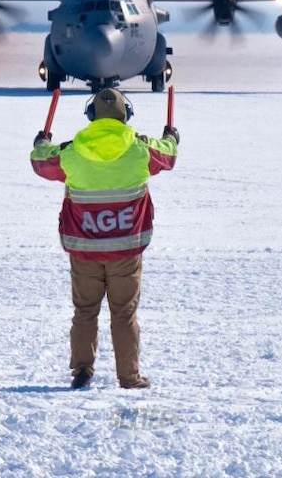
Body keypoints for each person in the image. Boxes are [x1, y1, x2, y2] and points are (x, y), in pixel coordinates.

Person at [29, 86, 178, 389]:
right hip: (126, 249)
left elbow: (41, 162)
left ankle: (82, 371)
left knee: (85, 312)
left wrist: (41, 143)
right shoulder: (140, 150)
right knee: (124, 313)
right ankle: (129, 377)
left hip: (84, 250)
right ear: (126, 116)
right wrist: (172, 136)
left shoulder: (72, 152)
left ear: (92, 115)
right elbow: (168, 155)